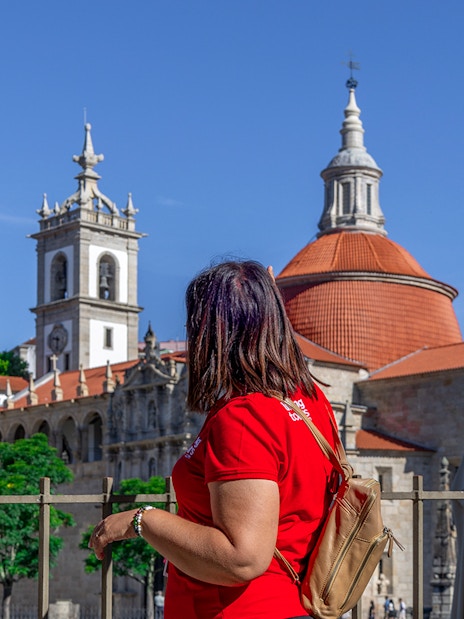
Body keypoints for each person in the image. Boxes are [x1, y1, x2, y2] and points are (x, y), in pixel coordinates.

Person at [89, 260, 338, 619]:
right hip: (294, 603)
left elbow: (242, 557)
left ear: (211, 332)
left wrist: (142, 520)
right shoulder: (310, 399)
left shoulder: (244, 418)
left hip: (239, 609)